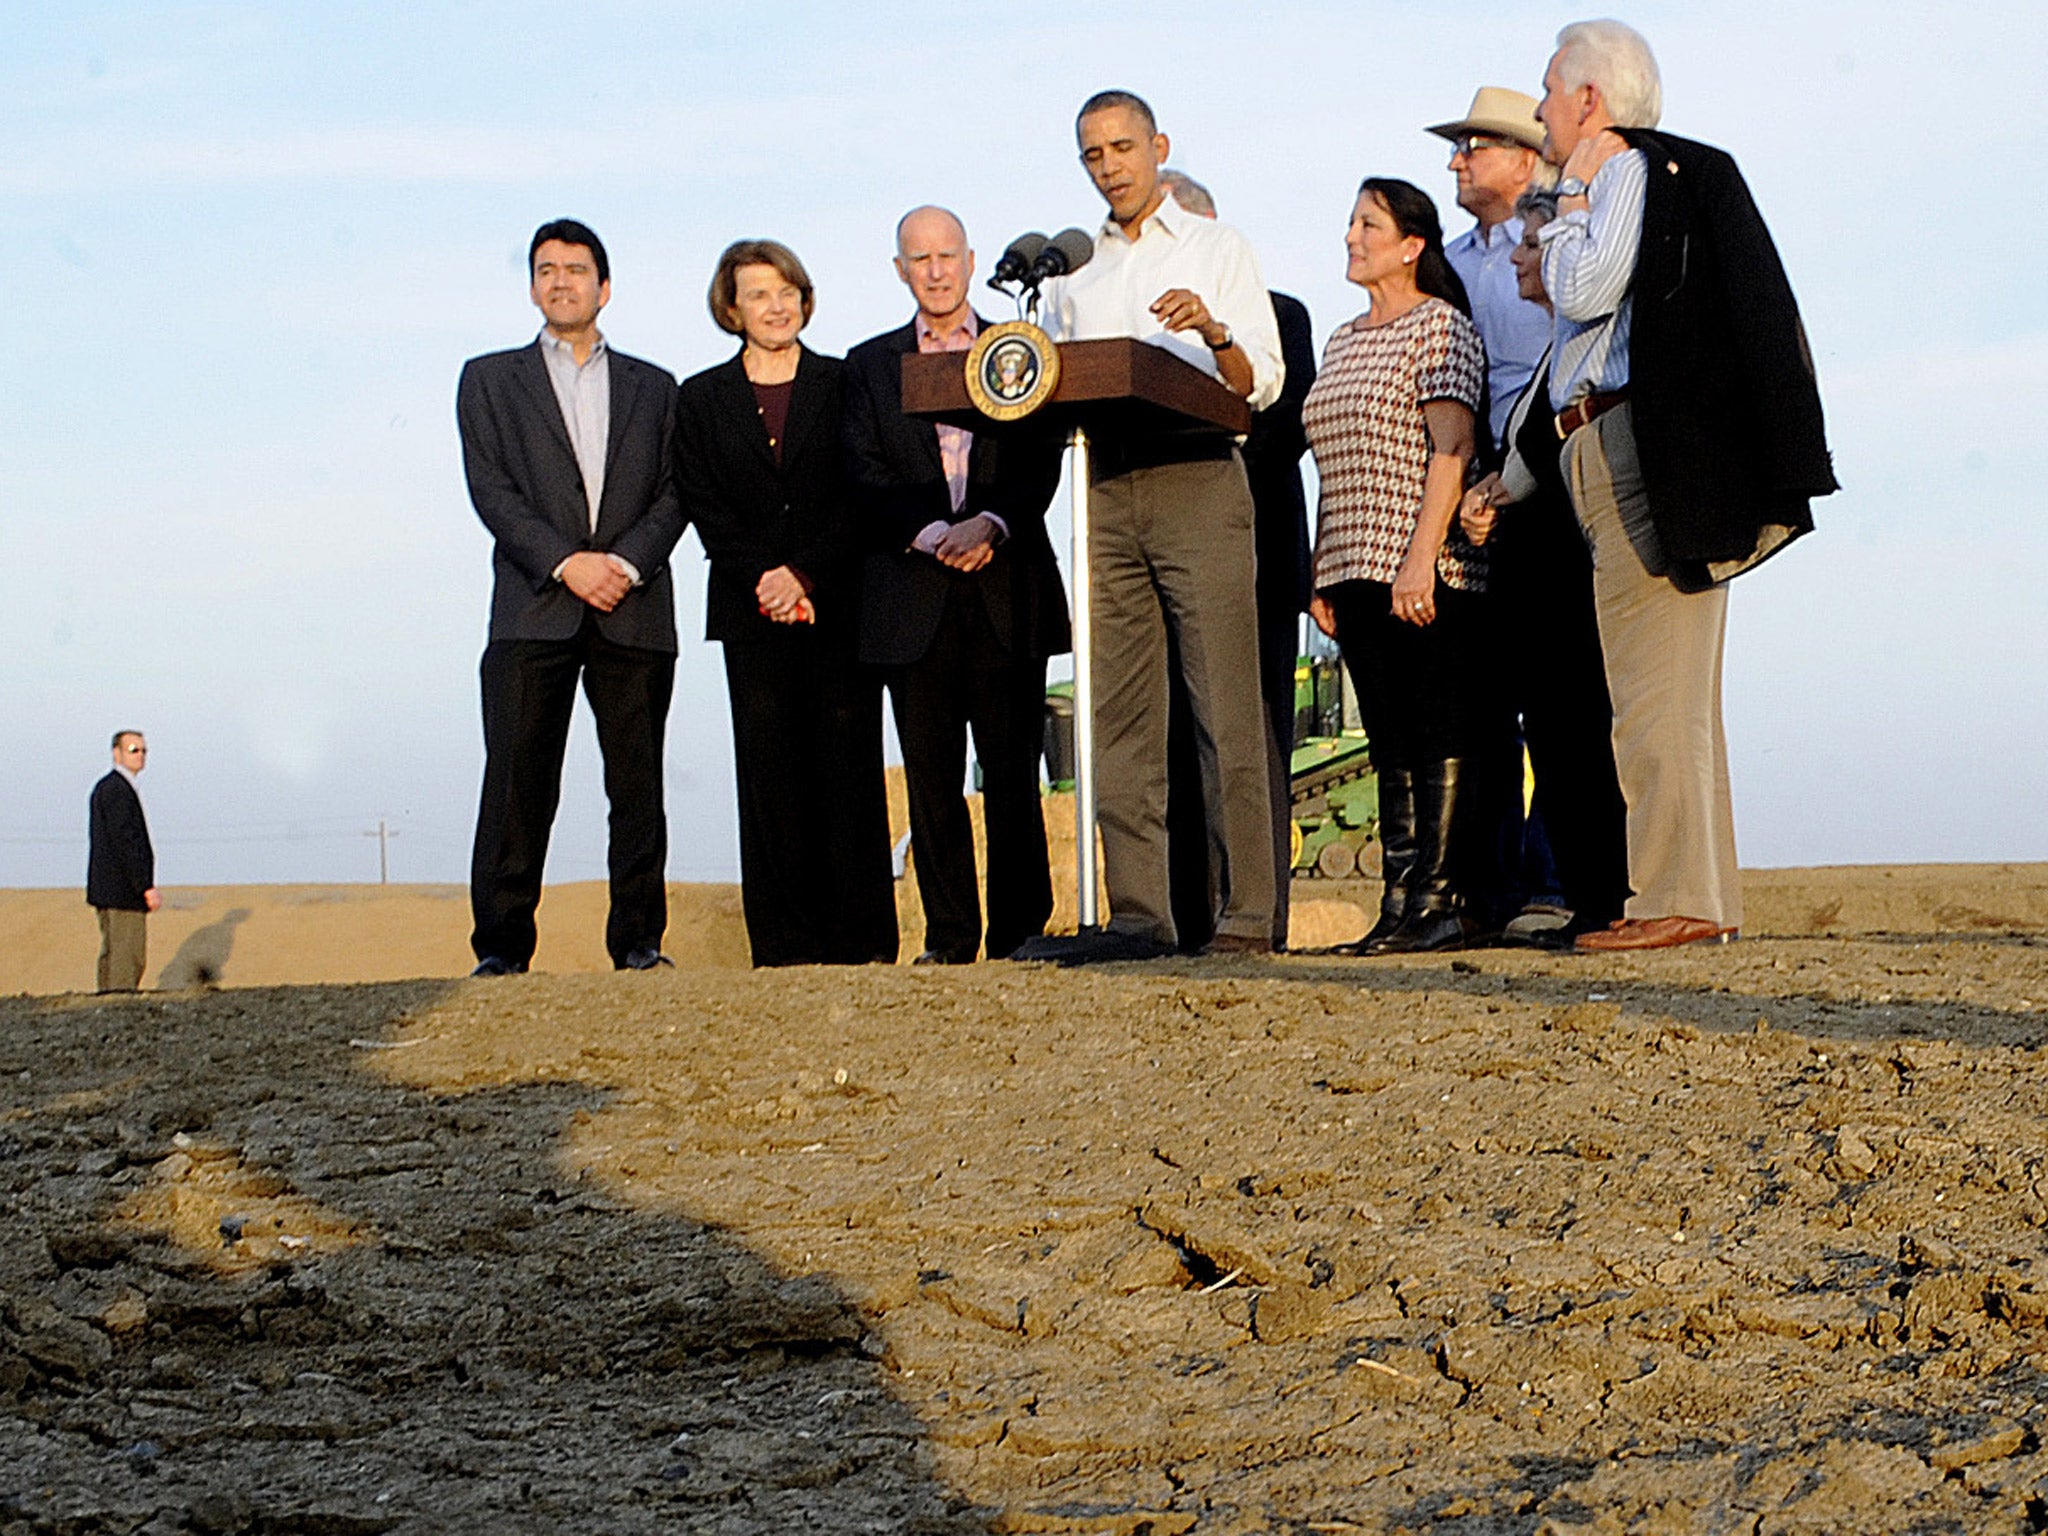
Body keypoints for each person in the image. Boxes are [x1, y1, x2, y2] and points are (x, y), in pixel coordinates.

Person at [1532, 20, 1834, 950]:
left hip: (1630, 446)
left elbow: (1584, 287)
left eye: (1548, 91)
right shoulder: (1652, 175)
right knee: (1678, 691)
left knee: (1651, 687)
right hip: (1631, 443)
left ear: (1590, 99)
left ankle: (1673, 898)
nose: (1540, 109)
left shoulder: (1615, 171)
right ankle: (1699, 896)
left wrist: (1565, 210)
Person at [1025, 90, 1285, 963]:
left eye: (1124, 147)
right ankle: (1140, 912)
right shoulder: (1069, 276)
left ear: (1159, 147)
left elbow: (1261, 381)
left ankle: (1248, 911)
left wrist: (1211, 329)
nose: (1111, 167)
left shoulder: (1219, 248)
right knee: (1119, 713)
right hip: (1103, 485)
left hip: (1198, 481)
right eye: (1093, 154)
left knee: (1224, 705)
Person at [841, 206, 1070, 964]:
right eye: (919, 258)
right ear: (900, 270)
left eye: (947, 255)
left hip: (1006, 591)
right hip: (913, 595)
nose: (935, 270)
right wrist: (932, 531)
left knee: (1013, 778)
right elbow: (862, 474)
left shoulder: (1021, 348)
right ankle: (948, 938)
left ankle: (1020, 935)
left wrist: (992, 523)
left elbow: (1041, 460)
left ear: (971, 262)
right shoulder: (869, 365)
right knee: (932, 783)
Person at [458, 218, 685, 977]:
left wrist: (622, 563)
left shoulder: (657, 388)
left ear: (605, 287)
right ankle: (501, 948)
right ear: (531, 286)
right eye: (546, 269)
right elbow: (491, 489)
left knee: (637, 785)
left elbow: (677, 490)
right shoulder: (488, 379)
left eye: (577, 269)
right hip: (533, 607)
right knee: (518, 782)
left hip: (634, 605)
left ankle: (639, 943)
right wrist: (566, 563)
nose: (562, 281)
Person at [674, 240, 898, 968]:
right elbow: (703, 501)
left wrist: (803, 574)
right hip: (751, 612)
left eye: (787, 290)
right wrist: (765, 580)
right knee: (770, 778)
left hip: (838, 602)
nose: (776, 305)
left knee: (850, 770)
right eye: (758, 293)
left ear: (805, 297)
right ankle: (783, 946)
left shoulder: (845, 382)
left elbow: (863, 488)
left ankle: (861, 944)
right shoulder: (700, 398)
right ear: (730, 308)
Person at [1302, 178, 1488, 954]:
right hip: (1351, 563)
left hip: (1421, 566)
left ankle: (1442, 901)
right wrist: (1320, 568)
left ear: (1411, 244)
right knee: (1388, 739)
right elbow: (1329, 460)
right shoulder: (1343, 339)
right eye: (1350, 220)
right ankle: (1400, 900)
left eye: (1368, 223)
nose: (1351, 235)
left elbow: (1454, 450)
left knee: (1436, 727)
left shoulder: (1440, 328)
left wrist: (1420, 561)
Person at [1457, 190, 1630, 948]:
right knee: (1555, 729)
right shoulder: (1553, 361)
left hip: (1568, 555)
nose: (1521, 260)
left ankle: (1597, 896)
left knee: (1576, 723)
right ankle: (1591, 896)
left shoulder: (1584, 357)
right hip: (1537, 552)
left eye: (1531, 247)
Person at [1155, 168, 1315, 953]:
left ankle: (1257, 917)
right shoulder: (1132, 331)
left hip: (1252, 555)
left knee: (1251, 740)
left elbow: (1285, 429)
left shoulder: (1280, 317)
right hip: (1155, 551)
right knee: (1173, 745)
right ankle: (1182, 919)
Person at [1428, 86, 1566, 941]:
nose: (1456, 160)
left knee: (1556, 691)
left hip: (1545, 477)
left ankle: (1552, 878)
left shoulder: (1561, 245)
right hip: (1463, 489)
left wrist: (1517, 474)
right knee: (1482, 700)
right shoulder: (1444, 261)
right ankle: (1494, 882)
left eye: (1473, 146)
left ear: (1523, 158)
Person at [88, 730, 159, 992]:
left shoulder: (114, 788)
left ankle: (108, 1007)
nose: (140, 756)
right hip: (122, 891)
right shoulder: (116, 789)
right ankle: (118, 1008)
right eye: (133, 750)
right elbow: (126, 842)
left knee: (115, 952)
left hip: (114, 889)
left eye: (143, 751)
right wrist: (144, 886)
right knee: (126, 956)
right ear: (116, 753)